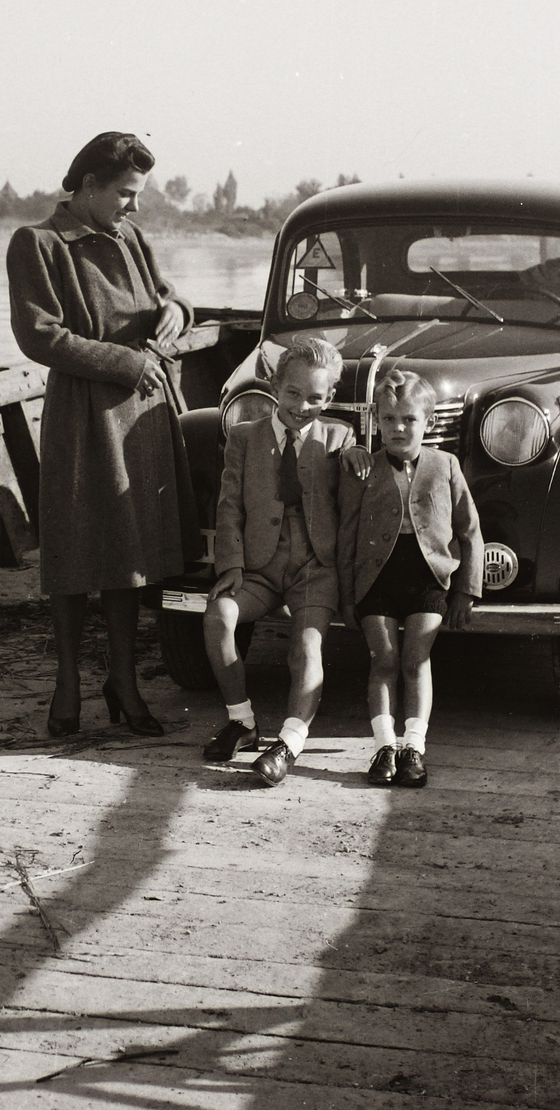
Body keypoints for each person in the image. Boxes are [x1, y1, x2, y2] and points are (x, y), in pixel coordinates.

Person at [7, 131, 193, 738]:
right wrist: (127, 363)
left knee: (128, 554)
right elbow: (40, 336)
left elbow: (169, 300)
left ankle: (124, 680)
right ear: (89, 186)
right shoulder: (37, 243)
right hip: (83, 415)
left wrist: (175, 312)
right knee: (73, 551)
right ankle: (67, 681)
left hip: (140, 418)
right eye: (125, 193)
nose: (133, 206)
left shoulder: (131, 238)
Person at [203, 336, 360, 786]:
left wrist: (358, 459)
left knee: (305, 647)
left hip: (315, 569)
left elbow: (350, 511)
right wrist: (231, 565)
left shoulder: (340, 438)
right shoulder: (244, 436)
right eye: (293, 393)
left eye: (315, 397)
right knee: (218, 616)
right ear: (274, 386)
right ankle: (242, 722)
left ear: (329, 399)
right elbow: (229, 504)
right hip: (258, 569)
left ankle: (289, 741)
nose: (302, 406)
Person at [339, 370, 483, 788]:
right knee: (383, 659)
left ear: (430, 422)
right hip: (376, 578)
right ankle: (385, 746)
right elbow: (348, 535)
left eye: (409, 419)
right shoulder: (363, 469)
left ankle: (413, 749)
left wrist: (465, 591)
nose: (398, 428)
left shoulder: (446, 465)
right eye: (388, 420)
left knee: (416, 658)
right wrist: (348, 598)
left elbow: (469, 531)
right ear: (376, 421)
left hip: (428, 577)